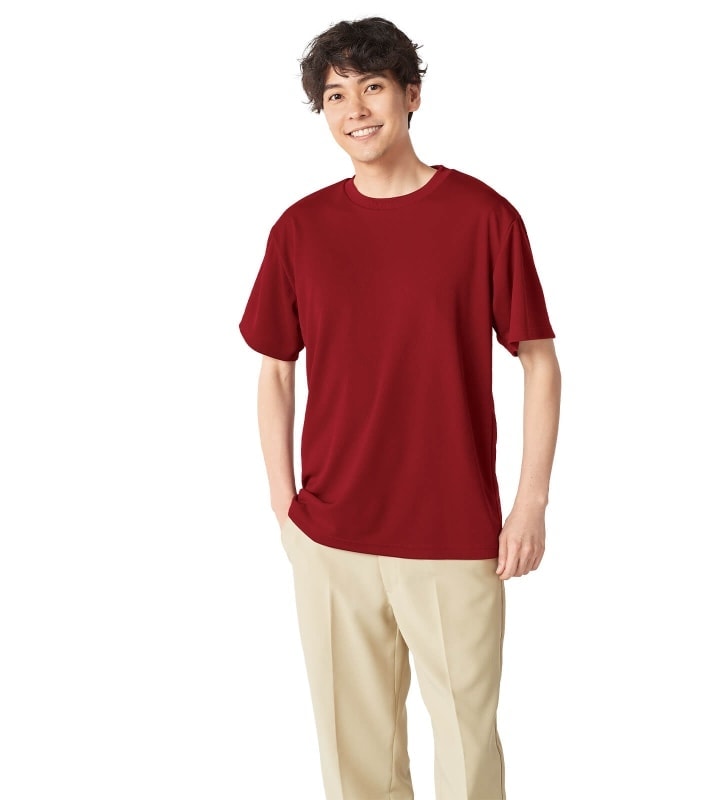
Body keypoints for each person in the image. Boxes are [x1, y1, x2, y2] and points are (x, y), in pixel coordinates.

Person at [239, 16, 561, 800]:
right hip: (332, 536)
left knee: (467, 754)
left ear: (411, 96)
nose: (354, 110)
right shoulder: (300, 230)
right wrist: (284, 506)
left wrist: (529, 504)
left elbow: (539, 362)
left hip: (452, 534)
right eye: (335, 95)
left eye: (373, 87)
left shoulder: (483, 217)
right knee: (356, 765)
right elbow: (275, 370)